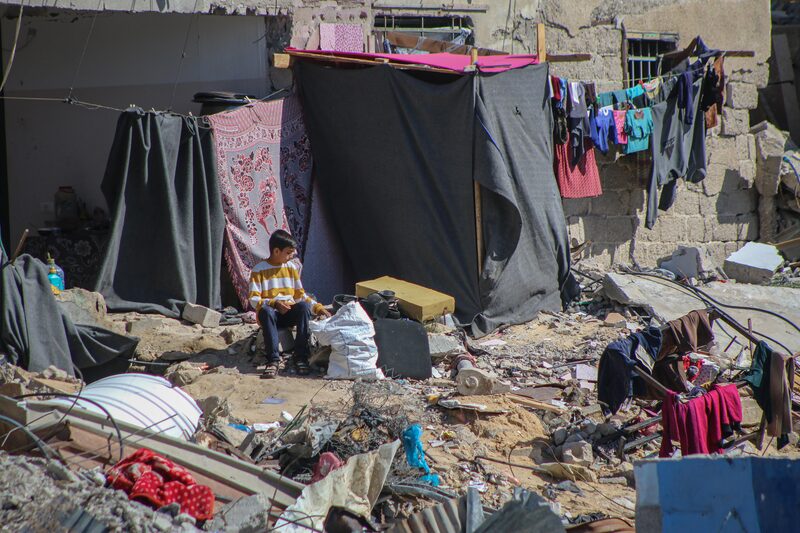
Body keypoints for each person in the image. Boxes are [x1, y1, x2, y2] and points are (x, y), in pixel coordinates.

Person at [249, 230, 330, 378]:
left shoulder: (291, 268)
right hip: (270, 315)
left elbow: (300, 296)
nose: (291, 256)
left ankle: (300, 356)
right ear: (276, 251)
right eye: (288, 252)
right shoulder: (259, 270)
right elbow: (254, 300)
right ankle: (273, 360)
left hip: (288, 313)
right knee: (266, 311)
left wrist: (318, 307)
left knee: (304, 308)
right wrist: (274, 303)